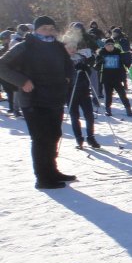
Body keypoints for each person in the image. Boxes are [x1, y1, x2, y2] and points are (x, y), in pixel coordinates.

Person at [0, 16, 76, 189]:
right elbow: (2, 66)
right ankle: (43, 178)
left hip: (55, 98)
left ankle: (52, 171)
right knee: (41, 139)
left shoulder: (57, 47)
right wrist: (22, 81)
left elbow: (68, 66)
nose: (48, 32)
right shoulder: (25, 47)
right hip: (33, 100)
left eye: (50, 28)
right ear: (35, 30)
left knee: (54, 135)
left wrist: (67, 78)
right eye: (44, 29)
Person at [66, 38, 101, 149]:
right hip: (70, 91)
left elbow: (89, 72)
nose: (72, 49)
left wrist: (86, 69)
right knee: (74, 116)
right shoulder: (63, 59)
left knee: (89, 115)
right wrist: (73, 70)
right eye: (69, 47)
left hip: (84, 90)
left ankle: (91, 137)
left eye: (74, 47)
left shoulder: (82, 58)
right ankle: (79, 138)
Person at [97, 37, 132, 118]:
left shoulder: (118, 53)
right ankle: (108, 109)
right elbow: (97, 66)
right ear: (105, 46)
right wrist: (100, 62)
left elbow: (124, 64)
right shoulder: (101, 54)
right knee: (108, 95)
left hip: (117, 78)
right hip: (106, 78)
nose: (110, 46)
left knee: (122, 94)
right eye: (108, 45)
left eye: (111, 45)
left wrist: (126, 62)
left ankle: (128, 108)